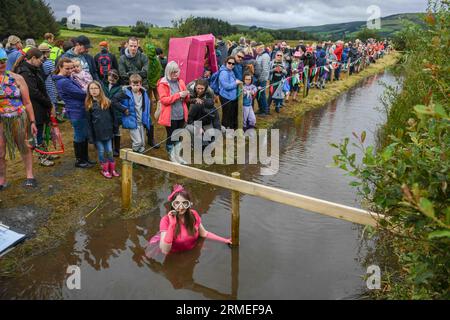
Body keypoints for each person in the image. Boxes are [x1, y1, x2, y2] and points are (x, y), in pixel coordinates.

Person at [151, 185, 231, 255]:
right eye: (177, 203)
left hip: (191, 252)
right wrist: (172, 225)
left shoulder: (193, 215)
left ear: (189, 204)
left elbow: (204, 233)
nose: (181, 207)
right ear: (172, 205)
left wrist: (225, 240)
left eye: (184, 203)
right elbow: (165, 251)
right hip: (175, 255)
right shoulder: (165, 220)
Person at [0, 48, 38, 189]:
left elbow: (27, 102)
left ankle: (30, 175)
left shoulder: (17, 78)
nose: (1, 64)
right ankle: (2, 180)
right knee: (0, 152)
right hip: (1, 121)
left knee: (24, 147)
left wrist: (32, 121)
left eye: (3, 61)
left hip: (19, 118)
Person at [14, 48, 56, 167]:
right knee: (36, 133)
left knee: (41, 130)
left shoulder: (33, 69)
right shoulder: (24, 72)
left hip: (39, 106)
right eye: (40, 60)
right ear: (33, 58)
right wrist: (48, 103)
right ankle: (42, 157)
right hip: (33, 106)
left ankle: (45, 153)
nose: (42, 62)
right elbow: (33, 92)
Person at [53, 58, 96, 168]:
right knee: (80, 135)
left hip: (80, 109)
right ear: (60, 68)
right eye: (67, 68)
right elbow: (80, 93)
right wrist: (93, 92)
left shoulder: (67, 78)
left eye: (72, 68)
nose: (70, 70)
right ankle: (80, 160)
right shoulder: (63, 81)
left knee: (84, 134)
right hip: (76, 111)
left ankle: (85, 159)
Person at [85, 81, 119, 179]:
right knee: (101, 151)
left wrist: (115, 129)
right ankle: (104, 169)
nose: (94, 90)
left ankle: (112, 168)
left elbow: (114, 117)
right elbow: (88, 123)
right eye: (91, 89)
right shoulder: (89, 104)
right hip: (97, 133)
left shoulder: (107, 102)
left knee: (109, 150)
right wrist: (90, 136)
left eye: (96, 88)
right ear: (89, 91)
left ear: (100, 89)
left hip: (108, 131)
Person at [157, 61, 189, 161]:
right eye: (172, 72)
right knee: (171, 136)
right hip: (170, 116)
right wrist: (178, 95)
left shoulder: (181, 82)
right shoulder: (163, 84)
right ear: (168, 72)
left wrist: (186, 95)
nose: (175, 74)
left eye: (176, 72)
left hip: (181, 114)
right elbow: (164, 100)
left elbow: (186, 100)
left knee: (179, 136)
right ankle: (172, 156)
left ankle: (178, 156)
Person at [113, 74, 152, 154]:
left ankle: (139, 159)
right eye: (133, 85)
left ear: (140, 84)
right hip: (132, 121)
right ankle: (133, 157)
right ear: (130, 84)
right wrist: (124, 109)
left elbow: (146, 106)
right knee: (137, 142)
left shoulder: (144, 93)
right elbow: (114, 101)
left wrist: (147, 118)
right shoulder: (125, 93)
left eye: (137, 85)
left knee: (142, 144)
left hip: (141, 121)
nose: (135, 87)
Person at [186, 79, 221, 147]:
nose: (200, 90)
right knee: (191, 118)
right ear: (195, 87)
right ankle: (193, 142)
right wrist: (194, 100)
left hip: (203, 106)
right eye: (198, 88)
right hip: (190, 100)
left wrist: (217, 135)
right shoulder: (189, 88)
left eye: (202, 88)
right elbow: (185, 100)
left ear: (206, 88)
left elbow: (210, 103)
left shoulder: (209, 91)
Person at [102, 69, 122, 157]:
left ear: (117, 78)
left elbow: (116, 99)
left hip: (116, 112)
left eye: (114, 78)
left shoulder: (120, 88)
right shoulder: (104, 86)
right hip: (106, 112)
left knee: (116, 130)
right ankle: (109, 148)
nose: (111, 80)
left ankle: (117, 149)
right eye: (109, 78)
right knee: (108, 130)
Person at [218, 56, 241, 129]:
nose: (231, 65)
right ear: (225, 63)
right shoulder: (224, 73)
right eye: (229, 63)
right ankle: (224, 129)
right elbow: (226, 86)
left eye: (233, 64)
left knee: (231, 114)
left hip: (231, 97)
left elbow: (232, 81)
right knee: (226, 115)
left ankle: (231, 128)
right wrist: (236, 83)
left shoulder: (231, 71)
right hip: (225, 97)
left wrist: (237, 82)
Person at [254, 44, 271, 116]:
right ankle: (261, 109)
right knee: (258, 94)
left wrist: (260, 79)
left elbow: (265, 70)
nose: (255, 50)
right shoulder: (258, 55)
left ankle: (265, 111)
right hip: (258, 79)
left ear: (260, 49)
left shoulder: (265, 56)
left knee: (262, 95)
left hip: (262, 79)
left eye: (256, 49)